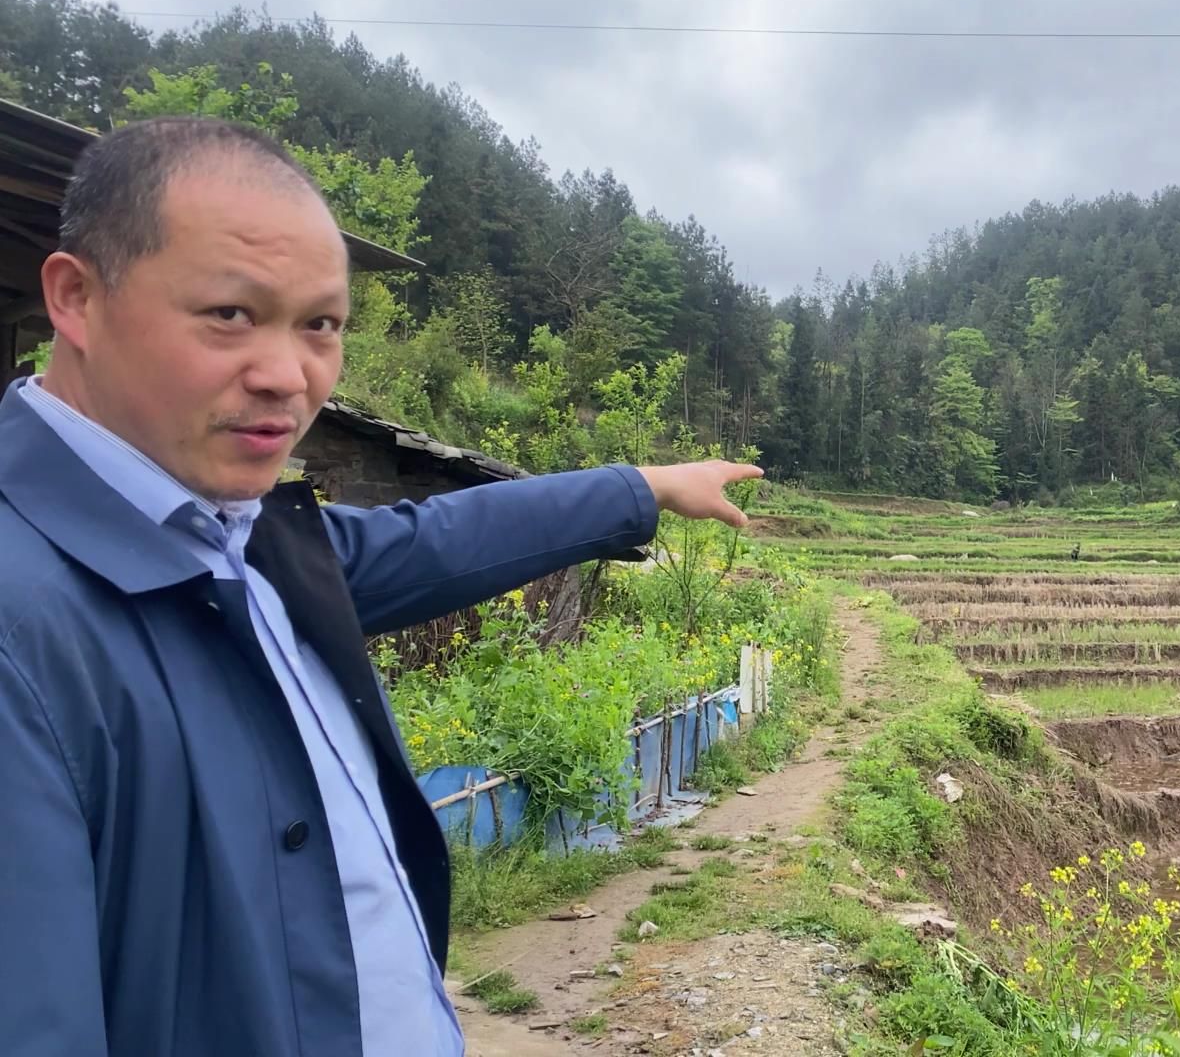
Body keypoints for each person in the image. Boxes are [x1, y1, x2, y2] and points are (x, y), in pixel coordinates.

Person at [0, 116, 761, 1057]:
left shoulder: (242, 543)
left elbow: (442, 538)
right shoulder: (26, 619)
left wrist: (641, 489)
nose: (287, 376)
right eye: (229, 315)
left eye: (320, 325)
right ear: (77, 298)